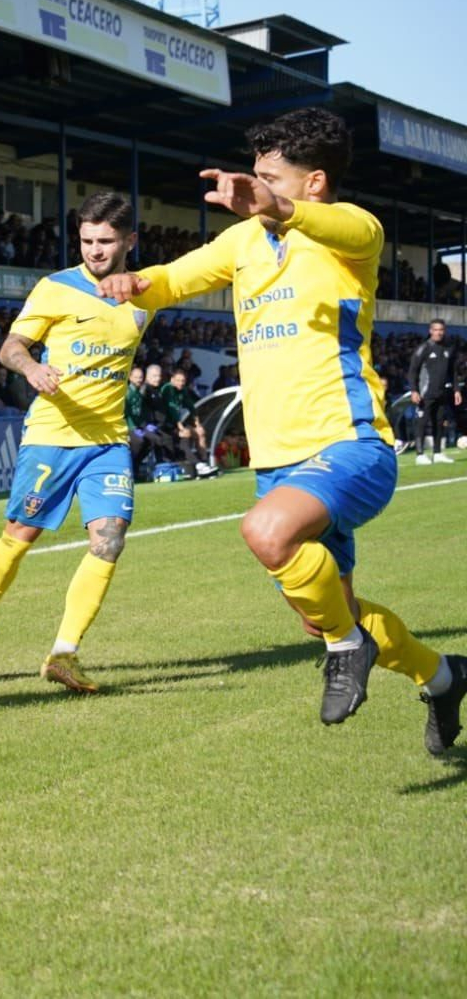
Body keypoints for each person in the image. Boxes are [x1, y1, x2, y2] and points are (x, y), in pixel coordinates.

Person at [96, 107, 466, 752]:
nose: (254, 188)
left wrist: (278, 206)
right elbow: (177, 277)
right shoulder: (242, 244)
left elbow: (343, 224)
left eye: (269, 177)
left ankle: (347, 649)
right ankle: (442, 678)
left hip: (348, 443)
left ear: (314, 182)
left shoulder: (353, 233)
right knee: (322, 614)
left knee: (267, 535)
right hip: (278, 461)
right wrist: (134, 282)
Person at [0, 193, 150, 694]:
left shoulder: (144, 296)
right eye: (86, 240)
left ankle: (64, 654)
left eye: (105, 241)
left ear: (130, 240)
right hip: (51, 437)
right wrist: (33, 368)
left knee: (109, 540)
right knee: (17, 542)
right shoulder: (55, 288)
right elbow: (9, 348)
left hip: (107, 439)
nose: (94, 251)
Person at [406, 319, 459, 464]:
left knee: (439, 422)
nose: (439, 332)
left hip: (441, 392)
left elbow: (452, 372)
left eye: (441, 329)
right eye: (435, 329)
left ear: (444, 331)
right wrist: (414, 390)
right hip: (425, 393)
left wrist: (456, 390)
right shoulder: (424, 348)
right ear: (430, 331)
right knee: (422, 422)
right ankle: (420, 454)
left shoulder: (448, 348)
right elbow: (412, 371)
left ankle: (437, 452)